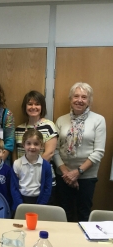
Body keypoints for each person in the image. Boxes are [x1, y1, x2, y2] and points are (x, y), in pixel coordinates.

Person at [53, 82, 106, 222]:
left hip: (87, 176)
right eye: (76, 96)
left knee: (84, 213)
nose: (79, 100)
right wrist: (67, 174)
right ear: (70, 99)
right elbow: (56, 150)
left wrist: (77, 173)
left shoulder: (98, 120)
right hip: (63, 175)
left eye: (84, 97)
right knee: (64, 213)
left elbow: (98, 152)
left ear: (89, 101)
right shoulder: (61, 120)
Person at [14, 91, 58, 189]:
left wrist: (32, 171)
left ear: (42, 107)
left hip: (42, 176)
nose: (33, 107)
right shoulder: (18, 129)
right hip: (23, 179)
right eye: (30, 104)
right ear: (25, 107)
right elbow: (16, 154)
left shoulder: (49, 126)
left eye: (37, 104)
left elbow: (49, 153)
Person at [11, 129, 52, 211]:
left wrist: (40, 206)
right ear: (23, 145)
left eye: (36, 144)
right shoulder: (17, 164)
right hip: (21, 201)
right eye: (28, 143)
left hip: (39, 201)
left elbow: (47, 188)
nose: (32, 147)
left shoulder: (46, 166)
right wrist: (20, 205)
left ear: (42, 146)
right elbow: (14, 187)